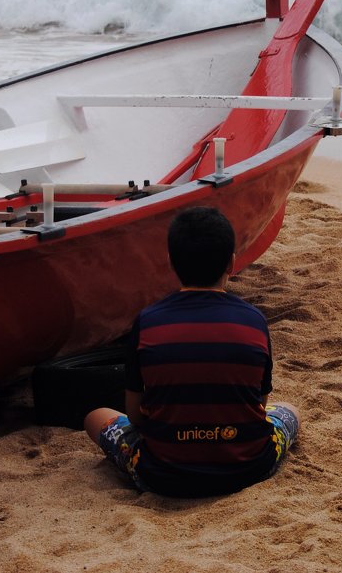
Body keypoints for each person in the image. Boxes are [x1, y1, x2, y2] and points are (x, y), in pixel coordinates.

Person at [83, 205, 300, 497]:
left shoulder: (147, 321)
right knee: (289, 410)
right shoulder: (253, 320)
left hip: (162, 474)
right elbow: (259, 403)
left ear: (171, 261)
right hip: (247, 467)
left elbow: (135, 415)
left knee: (95, 416)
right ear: (231, 263)